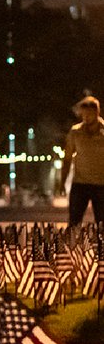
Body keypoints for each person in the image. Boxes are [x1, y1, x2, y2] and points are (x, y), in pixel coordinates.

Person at [60, 95, 104, 240]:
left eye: (89, 114)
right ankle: (69, 254)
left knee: (102, 225)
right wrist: (62, 182)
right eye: (83, 114)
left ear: (97, 113)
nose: (85, 117)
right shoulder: (75, 132)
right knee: (74, 223)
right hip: (80, 183)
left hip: (101, 185)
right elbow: (66, 159)